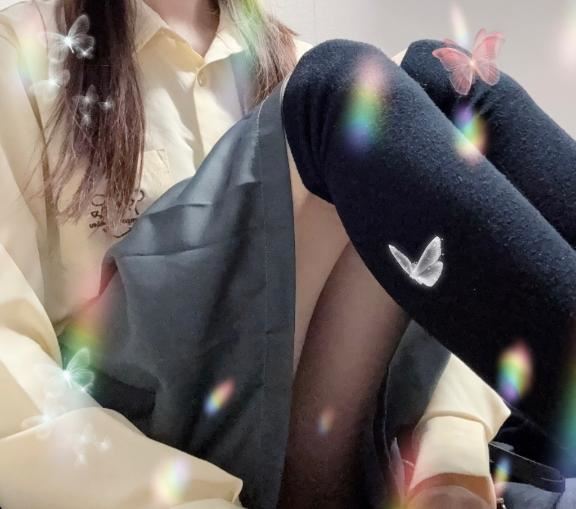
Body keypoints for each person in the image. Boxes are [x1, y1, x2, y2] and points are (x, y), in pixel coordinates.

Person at [0, 0, 517, 508]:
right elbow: (10, 363)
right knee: (352, 96)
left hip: (328, 442)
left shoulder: (297, 62)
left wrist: (451, 454)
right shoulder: (23, 54)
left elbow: (432, 269)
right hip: (139, 451)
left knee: (424, 86)